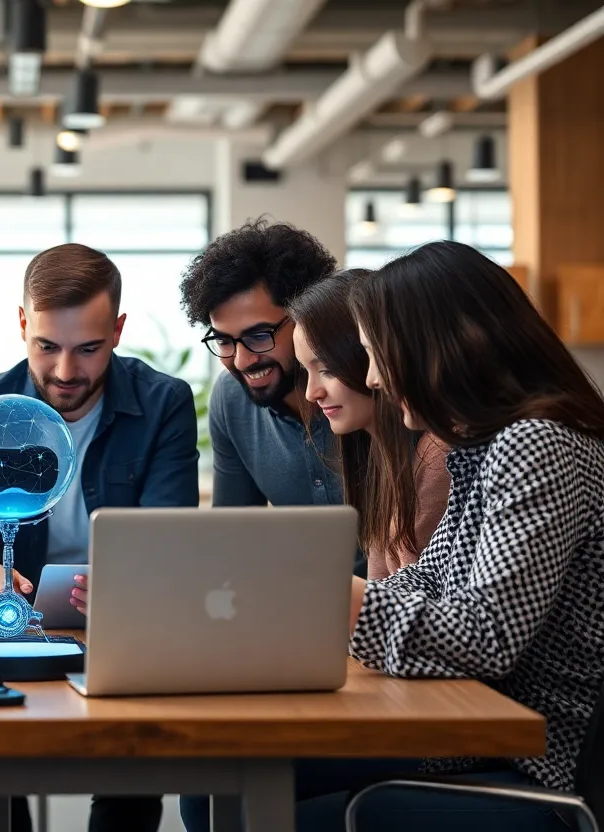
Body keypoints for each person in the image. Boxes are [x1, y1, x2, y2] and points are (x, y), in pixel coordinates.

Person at [186, 240, 604, 832]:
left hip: (530, 760)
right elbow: (428, 579)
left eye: (377, 355)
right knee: (220, 781)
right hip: (472, 734)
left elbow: (486, 636)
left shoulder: (533, 444)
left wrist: (338, 599)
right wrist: (307, 596)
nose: (375, 376)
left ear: (435, 347)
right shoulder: (484, 448)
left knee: (260, 800)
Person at [0, 242, 199, 832]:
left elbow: (166, 540)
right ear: (22, 324)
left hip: (122, 632)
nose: (64, 372)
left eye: (89, 349)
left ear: (119, 329)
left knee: (130, 776)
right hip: (11, 630)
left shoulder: (163, 403)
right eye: (46, 346)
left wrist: (129, 586)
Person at [288, 269, 450, 579]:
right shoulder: (382, 454)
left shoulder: (436, 459)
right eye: (305, 371)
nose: (311, 393)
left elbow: (417, 606)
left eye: (326, 369)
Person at [179, 218, 345, 514]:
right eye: (224, 340)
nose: (242, 361)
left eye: (258, 336)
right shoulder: (231, 399)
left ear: (305, 319)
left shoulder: (366, 386)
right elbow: (235, 533)